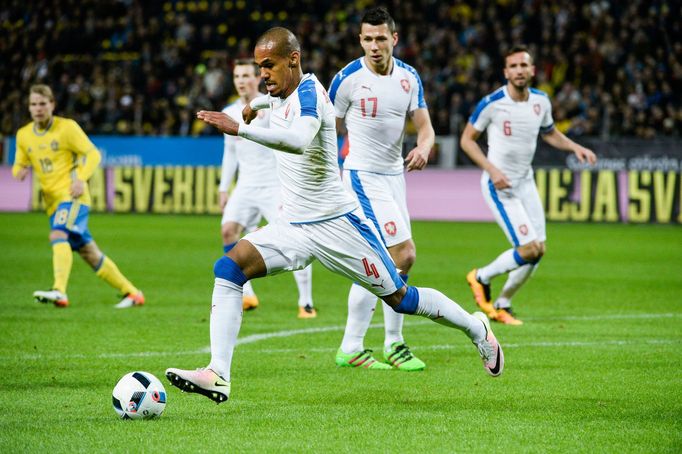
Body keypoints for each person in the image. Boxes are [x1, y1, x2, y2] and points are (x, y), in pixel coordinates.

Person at [165, 27, 503, 404]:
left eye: (269, 65)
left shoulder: (310, 92)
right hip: (293, 226)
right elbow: (273, 105)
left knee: (401, 298)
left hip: (338, 224)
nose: (263, 74)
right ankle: (218, 373)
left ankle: (477, 330)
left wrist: (241, 129)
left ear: (293, 59)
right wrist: (255, 105)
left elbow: (298, 139)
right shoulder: (278, 92)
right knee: (229, 268)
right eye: (260, 66)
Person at [328, 7, 435, 371]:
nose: (374, 46)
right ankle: (358, 344)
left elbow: (425, 126)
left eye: (381, 38)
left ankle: (390, 344)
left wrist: (423, 146)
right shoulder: (347, 79)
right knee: (401, 254)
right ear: (360, 40)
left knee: (388, 262)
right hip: (361, 176)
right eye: (368, 39)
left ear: (394, 38)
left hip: (394, 178)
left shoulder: (409, 78)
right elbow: (326, 129)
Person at [460, 45, 597, 325]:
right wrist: (492, 169)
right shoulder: (492, 103)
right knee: (528, 249)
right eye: (514, 66)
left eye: (524, 65)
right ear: (506, 72)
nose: (519, 71)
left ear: (532, 70)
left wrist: (574, 148)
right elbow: (466, 140)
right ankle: (481, 277)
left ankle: (503, 302)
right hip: (500, 186)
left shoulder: (541, 102)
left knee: (539, 250)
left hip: (526, 182)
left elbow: (550, 133)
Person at [12, 84, 144, 309]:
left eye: (43, 104)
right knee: (89, 253)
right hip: (52, 203)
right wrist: (20, 171)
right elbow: (18, 165)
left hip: (73, 196)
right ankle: (132, 294)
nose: (38, 109)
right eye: (33, 104)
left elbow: (92, 154)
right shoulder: (24, 135)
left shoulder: (67, 128)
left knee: (57, 234)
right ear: (29, 107)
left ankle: (59, 291)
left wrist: (80, 179)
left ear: (52, 104)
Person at [219, 59, 316, 318]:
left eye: (246, 75)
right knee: (228, 231)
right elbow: (230, 153)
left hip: (274, 185)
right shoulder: (229, 112)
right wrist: (223, 188)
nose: (241, 80)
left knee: (296, 239)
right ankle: (247, 295)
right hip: (246, 186)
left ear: (257, 78)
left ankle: (306, 302)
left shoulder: (273, 106)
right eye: (237, 76)